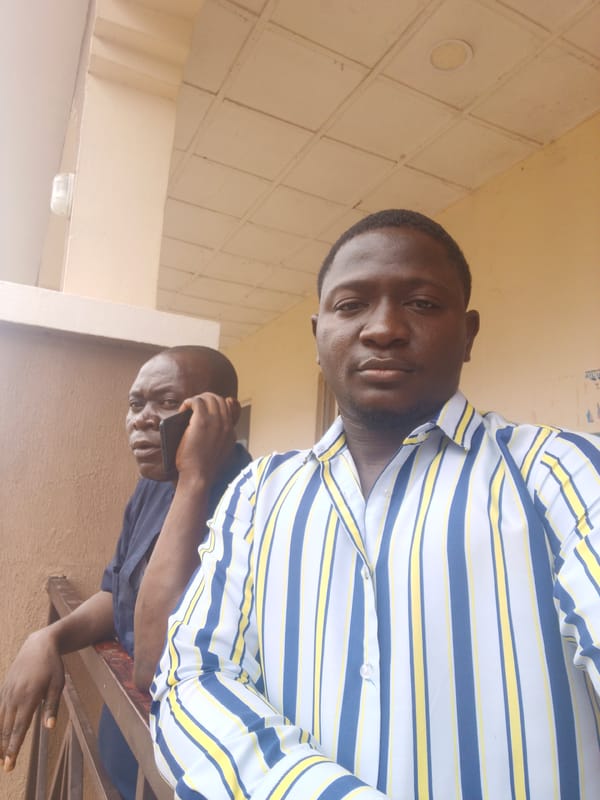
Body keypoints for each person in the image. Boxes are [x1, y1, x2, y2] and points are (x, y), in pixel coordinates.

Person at [149, 210, 600, 799]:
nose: (383, 328)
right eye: (351, 305)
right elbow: (190, 677)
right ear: (317, 336)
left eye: (422, 304)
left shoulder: (560, 472)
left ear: (468, 334)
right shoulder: (258, 494)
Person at [0, 345, 251, 799]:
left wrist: (194, 481)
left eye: (168, 403)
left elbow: (156, 663)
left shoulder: (251, 502)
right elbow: (117, 593)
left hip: (184, 768)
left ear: (222, 413)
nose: (143, 419)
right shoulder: (152, 487)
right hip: (124, 747)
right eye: (136, 404)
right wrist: (48, 638)